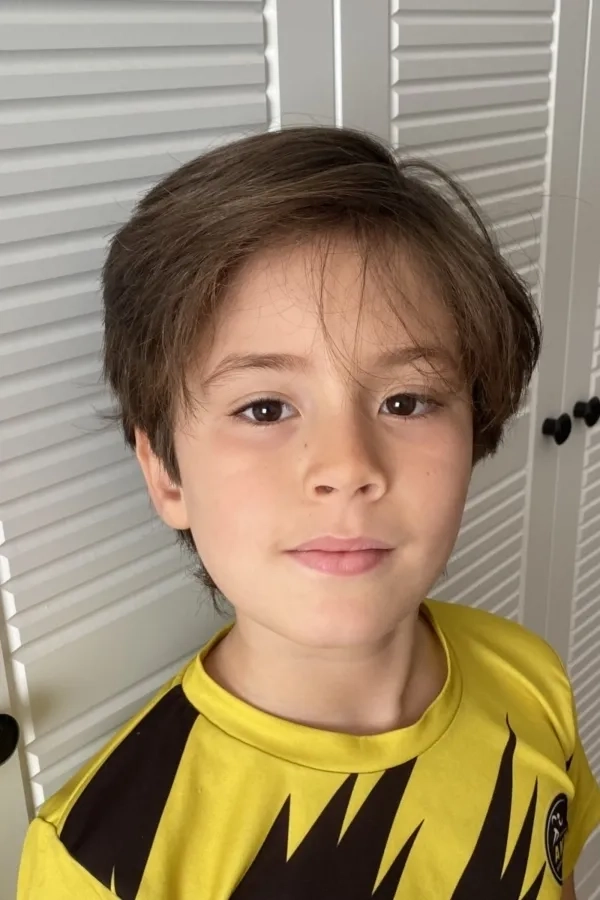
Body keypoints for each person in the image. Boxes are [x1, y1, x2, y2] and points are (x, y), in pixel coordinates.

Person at [18, 127, 600, 900]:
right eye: (264, 408)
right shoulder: (100, 862)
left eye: (406, 401)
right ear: (165, 472)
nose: (348, 467)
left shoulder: (531, 679)